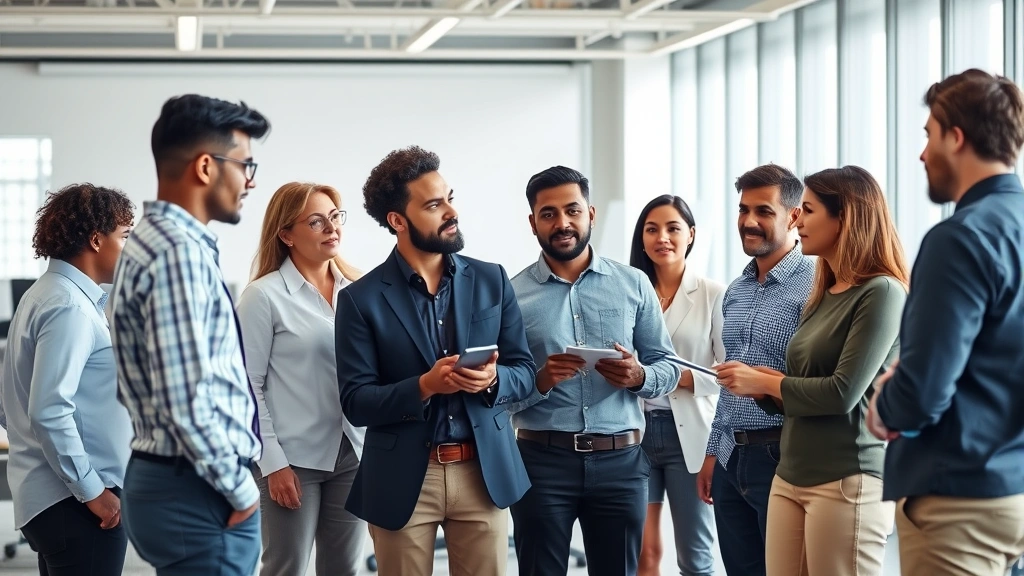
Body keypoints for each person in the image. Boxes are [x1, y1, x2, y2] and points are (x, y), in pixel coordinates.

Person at [335, 145, 536, 576]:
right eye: (433, 204)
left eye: (449, 197)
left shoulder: (491, 279)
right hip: (404, 476)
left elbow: (525, 371)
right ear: (397, 221)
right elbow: (355, 400)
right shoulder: (360, 299)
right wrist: (425, 386)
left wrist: (493, 380)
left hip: (483, 471)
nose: (451, 211)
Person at [866, 69, 1024, 576]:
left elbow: (923, 392)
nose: (922, 153)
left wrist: (884, 405)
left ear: (956, 138)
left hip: (960, 500)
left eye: (928, 135)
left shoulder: (959, 238)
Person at [717, 166, 908, 576]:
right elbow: (797, 393)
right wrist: (763, 390)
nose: (797, 221)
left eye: (807, 210)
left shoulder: (883, 292)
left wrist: (767, 381)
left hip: (845, 477)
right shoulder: (823, 289)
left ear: (846, 217)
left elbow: (842, 393)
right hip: (790, 473)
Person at [108, 94, 270, 576]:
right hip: (201, 489)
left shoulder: (153, 241)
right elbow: (184, 397)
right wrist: (239, 488)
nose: (250, 180)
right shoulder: (178, 253)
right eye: (245, 164)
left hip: (175, 479)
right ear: (205, 166)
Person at [509, 166, 682, 576]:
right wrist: (541, 380)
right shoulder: (512, 295)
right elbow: (498, 392)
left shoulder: (633, 283)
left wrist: (639, 377)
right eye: (548, 214)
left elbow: (669, 367)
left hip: (620, 462)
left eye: (572, 210)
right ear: (533, 222)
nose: (562, 223)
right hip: (541, 462)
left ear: (591, 213)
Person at [0, 184, 134, 576]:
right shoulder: (69, 308)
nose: (131, 249)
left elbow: (13, 406)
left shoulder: (48, 295)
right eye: (124, 237)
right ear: (96, 240)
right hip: (78, 504)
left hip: (59, 498)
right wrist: (93, 491)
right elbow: (49, 410)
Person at [236, 182, 366, 576]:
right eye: (316, 221)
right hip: (293, 459)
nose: (331, 228)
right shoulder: (263, 296)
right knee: (286, 567)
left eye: (334, 217)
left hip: (354, 453)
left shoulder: (361, 291)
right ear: (287, 234)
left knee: (344, 569)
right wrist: (272, 463)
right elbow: (246, 386)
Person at [695, 163, 815, 576]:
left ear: (794, 215)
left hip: (782, 455)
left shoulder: (817, 284)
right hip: (731, 457)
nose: (749, 221)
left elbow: (821, 379)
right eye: (743, 210)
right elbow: (729, 383)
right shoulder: (735, 290)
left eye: (763, 211)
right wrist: (714, 453)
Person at [629, 195, 724, 576]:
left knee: (695, 558)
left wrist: (668, 378)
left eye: (672, 228)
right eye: (652, 229)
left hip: (692, 437)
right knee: (643, 552)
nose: (662, 238)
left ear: (691, 235)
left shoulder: (713, 294)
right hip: (635, 432)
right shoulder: (629, 290)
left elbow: (725, 373)